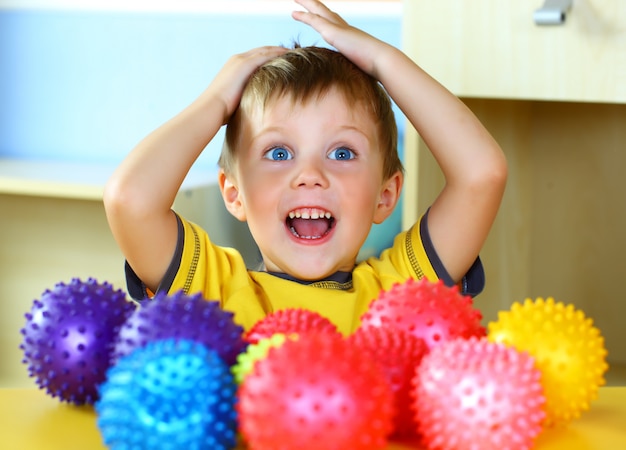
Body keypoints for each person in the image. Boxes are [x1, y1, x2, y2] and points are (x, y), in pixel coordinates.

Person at [103, 0, 508, 335]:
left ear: (386, 195)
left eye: (342, 153)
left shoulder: (398, 292)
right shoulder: (213, 290)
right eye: (279, 153)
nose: (310, 174)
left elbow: (481, 174)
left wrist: (384, 60)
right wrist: (215, 101)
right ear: (234, 194)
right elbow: (130, 200)